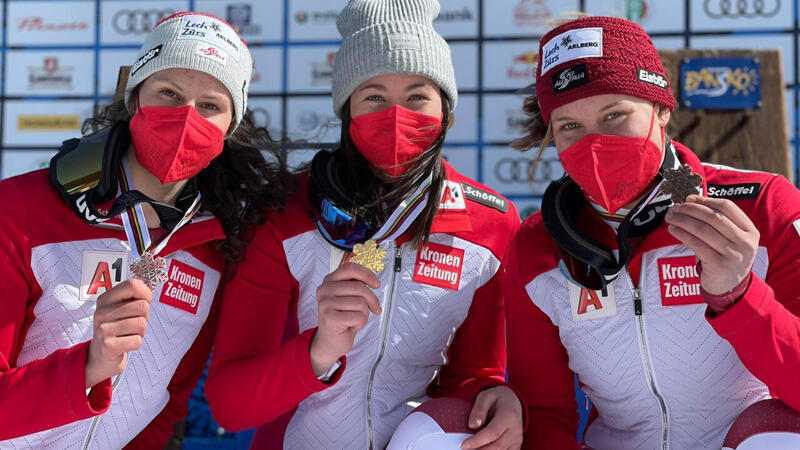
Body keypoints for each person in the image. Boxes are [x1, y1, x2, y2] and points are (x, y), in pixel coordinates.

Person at [205, 1, 525, 449]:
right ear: (347, 112)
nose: (396, 115)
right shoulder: (284, 213)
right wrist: (319, 350)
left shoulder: (490, 224)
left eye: (417, 97)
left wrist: (497, 397)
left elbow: (472, 378)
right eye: (373, 96)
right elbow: (230, 405)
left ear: (446, 112)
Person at [504, 16, 800, 449]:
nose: (594, 142)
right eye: (570, 126)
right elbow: (547, 411)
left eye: (614, 115)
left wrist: (738, 297)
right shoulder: (539, 245)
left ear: (661, 109)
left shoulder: (761, 206)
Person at [0, 12, 290, 449]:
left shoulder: (217, 245)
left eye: (210, 105)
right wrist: (89, 367)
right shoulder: (20, 209)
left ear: (229, 129)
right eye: (168, 93)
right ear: (135, 99)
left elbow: (168, 403)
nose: (186, 117)